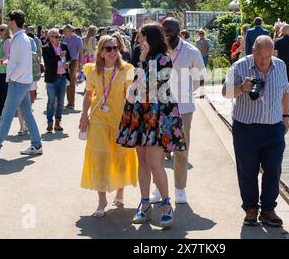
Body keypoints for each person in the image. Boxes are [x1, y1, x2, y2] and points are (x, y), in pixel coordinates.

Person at [116, 23, 187, 228]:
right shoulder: (141, 58)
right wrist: (141, 61)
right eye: (139, 38)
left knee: (155, 161)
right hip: (139, 113)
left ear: (151, 38)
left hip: (158, 115)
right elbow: (135, 85)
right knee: (143, 161)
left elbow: (152, 85)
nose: (139, 41)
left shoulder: (164, 59)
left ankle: (166, 205)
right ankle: (145, 203)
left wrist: (144, 61)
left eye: (142, 37)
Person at [222, 35, 289, 227]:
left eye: (268, 58)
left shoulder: (280, 66)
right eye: (260, 57)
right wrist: (241, 88)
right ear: (253, 51)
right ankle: (251, 208)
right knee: (247, 171)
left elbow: (286, 91)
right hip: (246, 128)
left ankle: (268, 209)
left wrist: (285, 117)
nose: (264, 62)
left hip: (274, 127)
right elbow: (225, 92)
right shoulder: (239, 66)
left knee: (273, 170)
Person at [148, 18, 206, 205]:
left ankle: (180, 189)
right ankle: (158, 188)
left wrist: (186, 92)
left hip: (183, 108)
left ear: (179, 30)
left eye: (171, 30)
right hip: (158, 108)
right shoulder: (155, 51)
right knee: (158, 150)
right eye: (164, 30)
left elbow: (201, 78)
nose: (168, 33)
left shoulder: (191, 52)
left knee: (181, 149)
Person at [79, 35, 138, 218]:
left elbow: (131, 96)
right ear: (101, 52)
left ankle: (120, 192)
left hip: (120, 119)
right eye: (109, 49)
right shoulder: (93, 71)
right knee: (99, 157)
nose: (114, 51)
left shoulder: (126, 69)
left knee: (120, 156)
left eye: (116, 48)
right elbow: (89, 95)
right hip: (98, 119)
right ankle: (102, 200)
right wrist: (83, 114)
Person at [0, 10, 43, 157]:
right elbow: (19, 61)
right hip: (22, 81)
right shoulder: (20, 38)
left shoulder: (20, 39)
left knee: (7, 114)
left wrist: (12, 75)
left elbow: (22, 64)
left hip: (18, 82)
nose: (7, 23)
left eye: (9, 20)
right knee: (27, 114)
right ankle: (36, 144)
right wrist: (9, 64)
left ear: (13, 22)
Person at [42, 28, 71, 132]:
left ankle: (57, 122)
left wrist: (68, 63)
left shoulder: (64, 46)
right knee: (51, 101)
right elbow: (48, 63)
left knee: (61, 101)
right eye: (55, 37)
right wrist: (59, 57)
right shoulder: (46, 47)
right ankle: (50, 122)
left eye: (59, 36)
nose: (58, 38)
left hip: (62, 77)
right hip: (51, 78)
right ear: (50, 38)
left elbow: (69, 58)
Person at [0, 24, 12, 116]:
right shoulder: (1, 40)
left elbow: (7, 56)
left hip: (3, 70)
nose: (0, 31)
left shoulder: (7, 41)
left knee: (2, 92)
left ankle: (2, 110)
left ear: (7, 31)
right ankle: (0, 109)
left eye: (2, 30)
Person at [63, 24, 83, 110]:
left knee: (72, 82)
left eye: (66, 31)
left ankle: (72, 103)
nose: (64, 32)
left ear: (71, 31)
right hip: (65, 61)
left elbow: (81, 52)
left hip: (74, 61)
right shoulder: (64, 38)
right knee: (67, 82)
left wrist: (81, 64)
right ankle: (69, 102)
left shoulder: (78, 39)